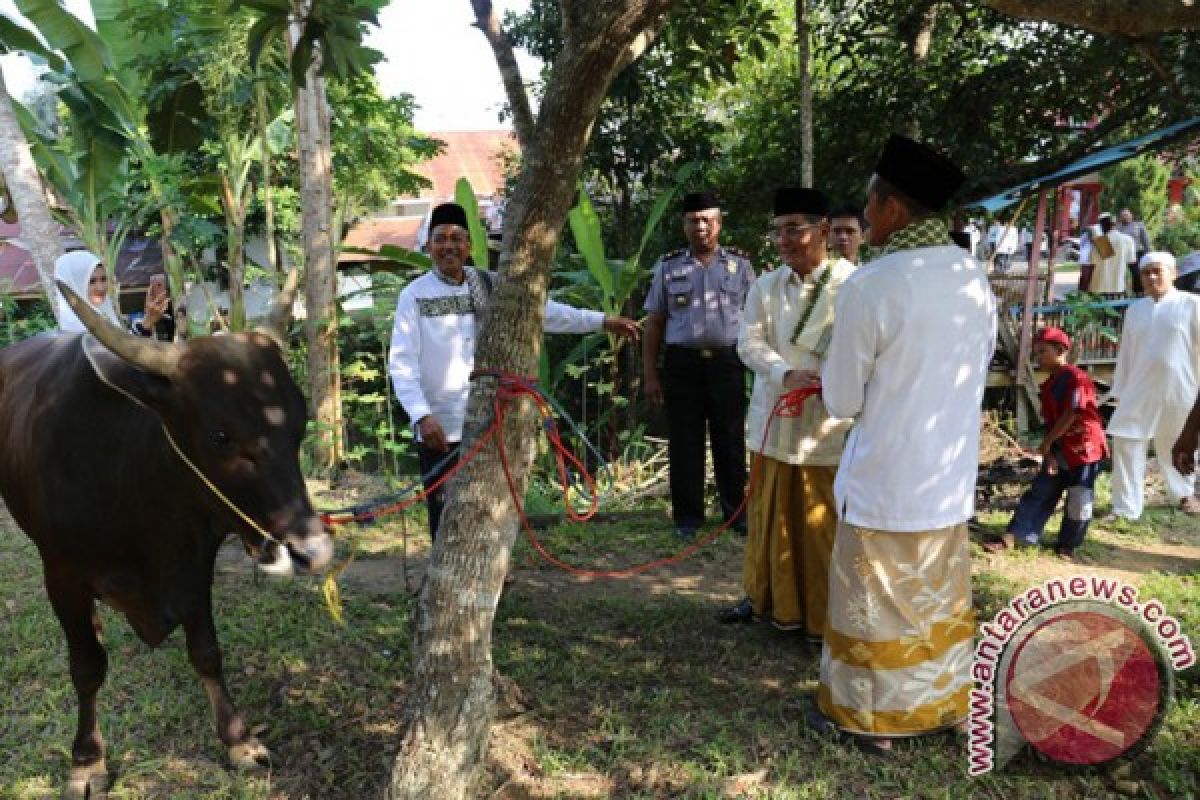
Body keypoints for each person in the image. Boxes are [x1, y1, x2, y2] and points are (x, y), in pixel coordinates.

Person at [806, 134, 997, 753]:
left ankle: (869, 721)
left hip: (884, 480)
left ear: (890, 208)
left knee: (875, 606)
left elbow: (842, 400)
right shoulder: (972, 275)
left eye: (868, 204)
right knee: (933, 603)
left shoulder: (870, 284)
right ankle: (943, 706)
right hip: (946, 479)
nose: (862, 217)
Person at [388, 202, 640, 540]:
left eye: (457, 238)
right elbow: (402, 362)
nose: (449, 245)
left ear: (470, 246)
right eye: (440, 238)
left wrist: (603, 321)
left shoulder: (489, 286)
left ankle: (487, 578)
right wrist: (421, 415)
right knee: (444, 508)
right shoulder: (413, 296)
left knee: (486, 503)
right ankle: (443, 584)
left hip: (487, 420)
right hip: (439, 427)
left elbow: (544, 312)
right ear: (428, 246)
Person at [718, 188, 855, 639]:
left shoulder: (853, 285)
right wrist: (783, 372)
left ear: (822, 231)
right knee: (768, 518)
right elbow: (748, 343)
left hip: (827, 427)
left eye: (793, 228)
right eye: (777, 230)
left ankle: (821, 617)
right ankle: (763, 598)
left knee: (820, 526)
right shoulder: (766, 286)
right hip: (774, 421)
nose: (783, 239)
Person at [643, 191, 755, 540]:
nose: (701, 226)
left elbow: (757, 320)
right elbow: (655, 322)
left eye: (707, 220)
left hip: (728, 363)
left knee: (731, 440)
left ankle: (736, 514)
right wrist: (650, 374)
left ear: (719, 224)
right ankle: (687, 519)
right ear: (684, 226)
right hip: (682, 364)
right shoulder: (668, 266)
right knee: (684, 441)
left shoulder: (741, 267)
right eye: (694, 220)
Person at [983, 327, 1107, 560]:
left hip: (1085, 449)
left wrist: (1047, 444)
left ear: (1060, 350)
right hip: (1061, 447)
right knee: (1041, 490)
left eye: (1042, 352)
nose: (1037, 357)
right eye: (1036, 352)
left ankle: (1067, 544)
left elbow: (1073, 412)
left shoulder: (1077, 378)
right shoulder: (1050, 385)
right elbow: (1051, 422)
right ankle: (1013, 536)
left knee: (1079, 497)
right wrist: (1049, 453)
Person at [1104, 252, 1200, 519]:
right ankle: (1125, 508)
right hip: (1139, 388)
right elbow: (1126, 353)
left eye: (1158, 271)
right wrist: (1119, 390)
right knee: (1126, 440)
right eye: (1146, 273)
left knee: (1177, 441)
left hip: (1181, 388)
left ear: (1173, 274)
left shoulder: (1192, 304)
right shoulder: (1136, 309)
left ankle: (1183, 494)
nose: (1151, 277)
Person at [54, 250, 169, 337]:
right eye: (91, 281)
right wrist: (146, 323)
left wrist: (148, 321)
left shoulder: (104, 317)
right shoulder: (77, 330)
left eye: (103, 279)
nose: (101, 287)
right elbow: (115, 357)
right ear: (73, 285)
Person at [1088, 214, 1135, 296]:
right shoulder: (1128, 240)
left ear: (1101, 226)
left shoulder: (1100, 242)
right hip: (1118, 286)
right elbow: (1131, 262)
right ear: (1115, 224)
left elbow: (1092, 264)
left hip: (1099, 287)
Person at [1118, 208, 1153, 293]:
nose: (1125, 217)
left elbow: (1145, 240)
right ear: (1120, 218)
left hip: (1136, 253)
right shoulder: (1118, 227)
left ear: (1131, 215)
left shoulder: (1138, 225)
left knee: (1137, 273)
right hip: (1123, 254)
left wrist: (1149, 253)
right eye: (1123, 216)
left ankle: (1138, 292)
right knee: (1122, 275)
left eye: (1127, 215)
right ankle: (1123, 293)